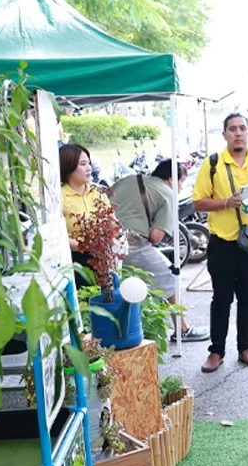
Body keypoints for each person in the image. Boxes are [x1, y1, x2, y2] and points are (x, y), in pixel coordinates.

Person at [191, 114, 248, 373]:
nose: (238, 133)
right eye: (232, 129)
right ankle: (216, 351)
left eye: (243, 128)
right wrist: (225, 203)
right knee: (221, 299)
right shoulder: (213, 164)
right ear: (224, 135)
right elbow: (197, 201)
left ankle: (246, 348)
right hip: (222, 242)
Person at [108, 158, 209, 342]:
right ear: (171, 179)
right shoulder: (167, 193)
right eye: (181, 181)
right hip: (132, 246)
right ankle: (182, 329)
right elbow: (155, 236)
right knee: (170, 276)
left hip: (104, 243)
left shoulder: (129, 179)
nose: (181, 186)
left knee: (117, 286)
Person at [60, 143, 109, 287]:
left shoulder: (98, 193)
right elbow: (54, 235)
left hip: (101, 258)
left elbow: (112, 222)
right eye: (83, 164)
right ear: (68, 166)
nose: (89, 168)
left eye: (89, 163)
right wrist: (80, 246)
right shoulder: (59, 197)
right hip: (73, 261)